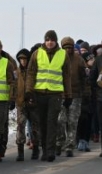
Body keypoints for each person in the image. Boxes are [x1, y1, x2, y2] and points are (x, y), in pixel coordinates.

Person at [25, 29, 73, 162]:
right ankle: (44, 150)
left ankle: (50, 151)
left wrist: (68, 95)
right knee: (41, 123)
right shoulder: (37, 54)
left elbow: (67, 76)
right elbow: (30, 73)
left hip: (55, 94)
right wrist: (29, 91)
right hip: (39, 93)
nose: (50, 42)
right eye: (47, 40)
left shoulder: (63, 55)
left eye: (52, 40)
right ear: (44, 41)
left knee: (52, 122)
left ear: (56, 41)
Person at [56, 36, 89, 157]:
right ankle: (59, 142)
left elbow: (85, 78)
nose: (68, 50)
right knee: (60, 120)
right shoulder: (57, 59)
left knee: (72, 121)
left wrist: (85, 93)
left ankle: (70, 146)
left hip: (76, 95)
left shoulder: (79, 60)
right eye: (65, 47)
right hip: (61, 94)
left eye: (70, 47)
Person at [14, 48, 32, 161]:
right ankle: (20, 151)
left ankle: (35, 149)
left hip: (32, 102)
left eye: (25, 59)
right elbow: (13, 85)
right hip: (20, 102)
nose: (23, 61)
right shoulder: (16, 72)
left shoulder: (33, 71)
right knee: (20, 126)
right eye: (21, 59)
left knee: (34, 127)